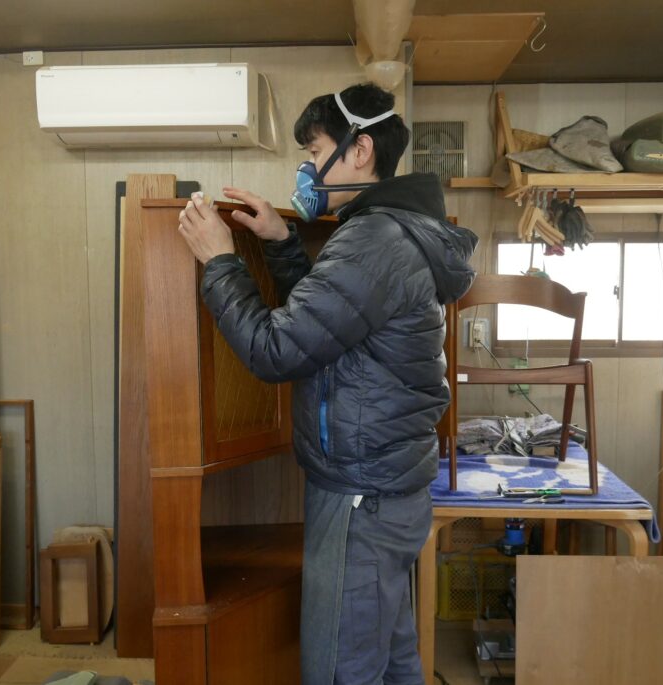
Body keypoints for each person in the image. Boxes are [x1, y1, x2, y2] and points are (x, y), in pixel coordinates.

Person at [177, 82, 478, 685]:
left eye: (316, 153)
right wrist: (283, 244)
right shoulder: (393, 231)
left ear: (359, 150)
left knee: (343, 670)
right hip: (388, 488)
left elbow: (277, 349)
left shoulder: (373, 241)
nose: (309, 171)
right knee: (391, 660)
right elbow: (331, 326)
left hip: (362, 498)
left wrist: (220, 260)